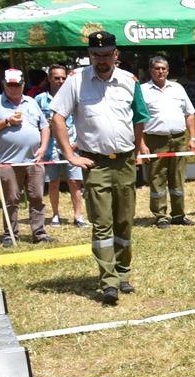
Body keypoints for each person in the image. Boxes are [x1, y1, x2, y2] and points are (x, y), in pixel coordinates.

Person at [50, 31, 149, 305]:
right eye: (96, 55)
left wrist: (138, 149)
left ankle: (124, 273)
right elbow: (57, 117)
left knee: (124, 221)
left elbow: (140, 117)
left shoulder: (130, 81)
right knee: (102, 223)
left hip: (126, 160)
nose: (102, 60)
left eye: (107, 55)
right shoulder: (76, 81)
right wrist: (70, 154)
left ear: (116, 54)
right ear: (90, 55)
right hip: (96, 163)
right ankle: (108, 282)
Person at [139, 56, 195, 229]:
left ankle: (179, 215)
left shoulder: (178, 88)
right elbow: (137, 120)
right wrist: (141, 144)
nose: (160, 71)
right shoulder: (142, 90)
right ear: (151, 71)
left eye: (163, 68)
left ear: (168, 70)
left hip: (178, 139)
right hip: (155, 140)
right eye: (157, 68)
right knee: (157, 178)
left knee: (178, 178)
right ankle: (161, 216)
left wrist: (192, 138)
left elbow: (190, 114)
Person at [0, 67, 52, 247]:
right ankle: (10, 234)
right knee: (11, 199)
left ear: (22, 85)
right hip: (8, 161)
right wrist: (7, 122)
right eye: (10, 85)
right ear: (4, 84)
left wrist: (43, 147)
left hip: (34, 159)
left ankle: (39, 233)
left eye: (17, 85)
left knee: (37, 197)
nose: (14, 88)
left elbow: (44, 126)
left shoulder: (30, 101)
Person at [34, 64, 85, 229]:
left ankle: (78, 216)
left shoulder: (76, 96)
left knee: (74, 182)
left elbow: (82, 122)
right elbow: (35, 124)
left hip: (73, 145)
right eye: (56, 78)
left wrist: (78, 143)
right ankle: (55, 214)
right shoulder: (40, 100)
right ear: (49, 79)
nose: (60, 81)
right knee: (53, 182)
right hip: (50, 148)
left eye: (63, 78)